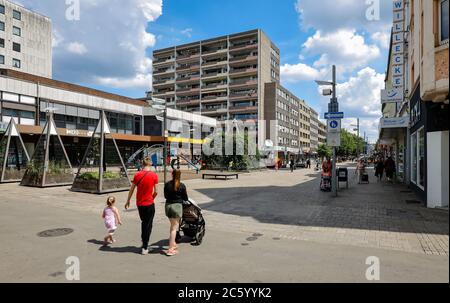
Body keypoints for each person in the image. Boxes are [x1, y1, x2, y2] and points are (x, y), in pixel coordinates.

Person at [125, 158, 159, 255]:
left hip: (139, 204)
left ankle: (144, 242)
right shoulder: (154, 176)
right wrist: (152, 198)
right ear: (151, 164)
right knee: (148, 224)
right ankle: (145, 247)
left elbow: (131, 189)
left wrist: (128, 200)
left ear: (142, 164)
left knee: (144, 222)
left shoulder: (137, 175)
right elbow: (156, 191)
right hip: (149, 203)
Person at [164, 169, 188, 257]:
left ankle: (173, 242)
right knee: (174, 228)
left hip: (168, 206)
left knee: (172, 226)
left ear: (172, 174)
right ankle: (170, 249)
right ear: (180, 175)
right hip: (177, 207)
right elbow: (185, 198)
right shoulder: (182, 185)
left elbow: (165, 196)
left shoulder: (167, 184)